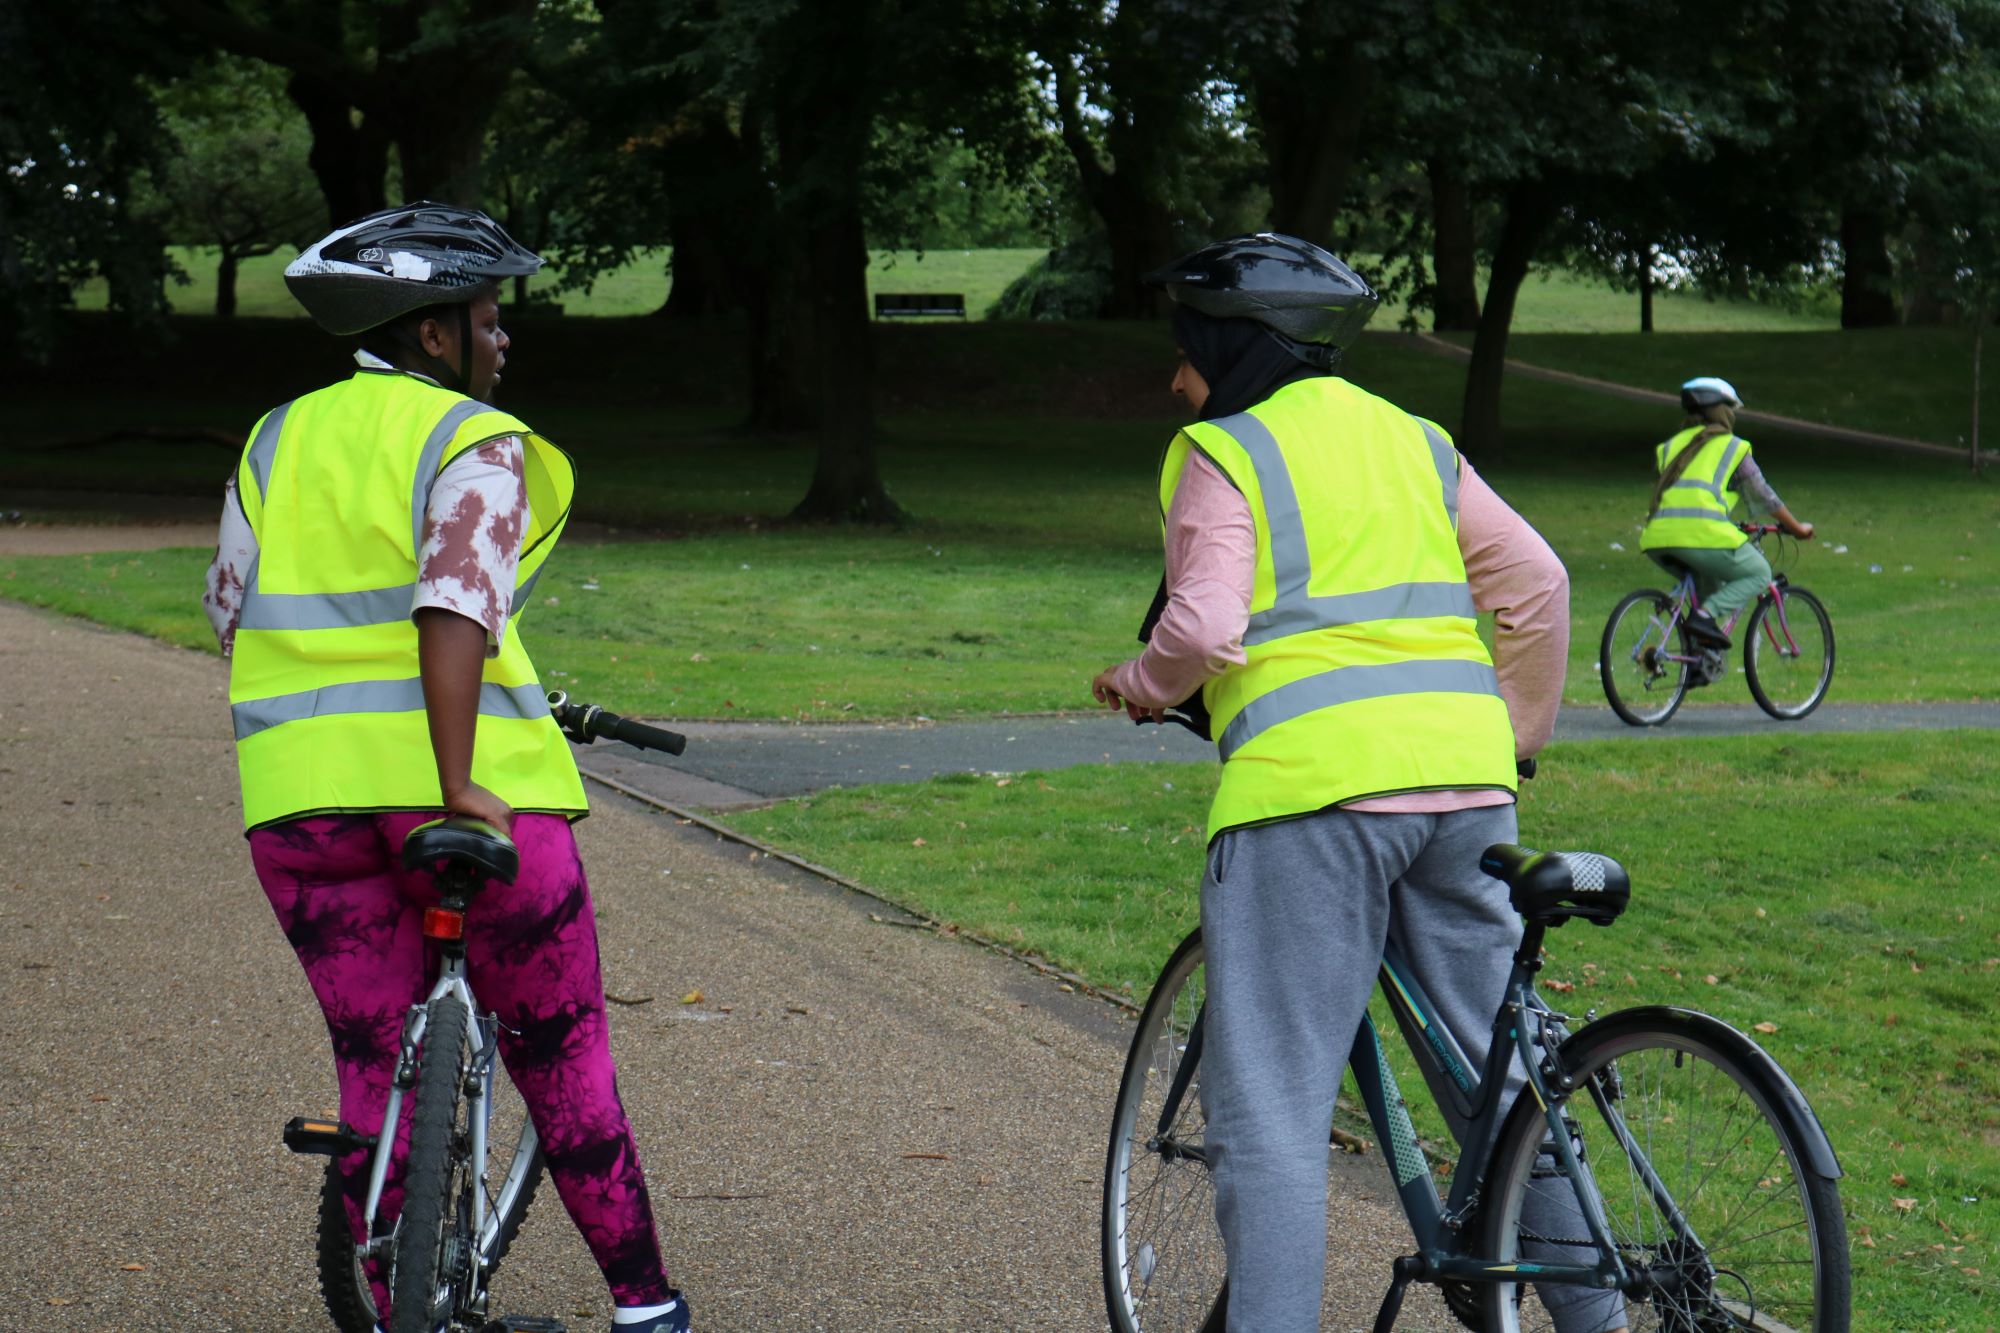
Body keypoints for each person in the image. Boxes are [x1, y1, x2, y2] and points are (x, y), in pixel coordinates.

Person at [1090, 233, 1624, 1332]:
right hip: (1465, 793)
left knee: (1274, 1108)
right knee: (1501, 1089)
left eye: (1185, 352)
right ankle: (1597, 1319)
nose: (1175, 378)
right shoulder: (1416, 440)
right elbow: (1535, 580)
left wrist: (1139, 680)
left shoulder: (1221, 446)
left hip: (1306, 802)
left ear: (1229, 346)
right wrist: (1509, 740)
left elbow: (1199, 624)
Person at [203, 203, 690, 1333]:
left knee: (372, 1064)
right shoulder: (471, 440)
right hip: (466, 796)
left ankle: (398, 1311)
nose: (502, 339)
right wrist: (459, 772)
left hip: (301, 805)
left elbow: (231, 609)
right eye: (487, 318)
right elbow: (456, 600)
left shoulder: (275, 438)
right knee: (564, 1062)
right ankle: (644, 1306)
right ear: (434, 338)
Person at [1639, 376, 1815, 648]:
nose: (1733, 414)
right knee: (1759, 572)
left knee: (1707, 585)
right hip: (1699, 534)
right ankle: (1706, 616)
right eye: (1730, 408)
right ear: (1720, 411)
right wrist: (1797, 528)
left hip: (1656, 537)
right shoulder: (1731, 446)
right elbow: (1763, 496)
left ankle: (1698, 662)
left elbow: (1689, 493)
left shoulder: (1671, 447)